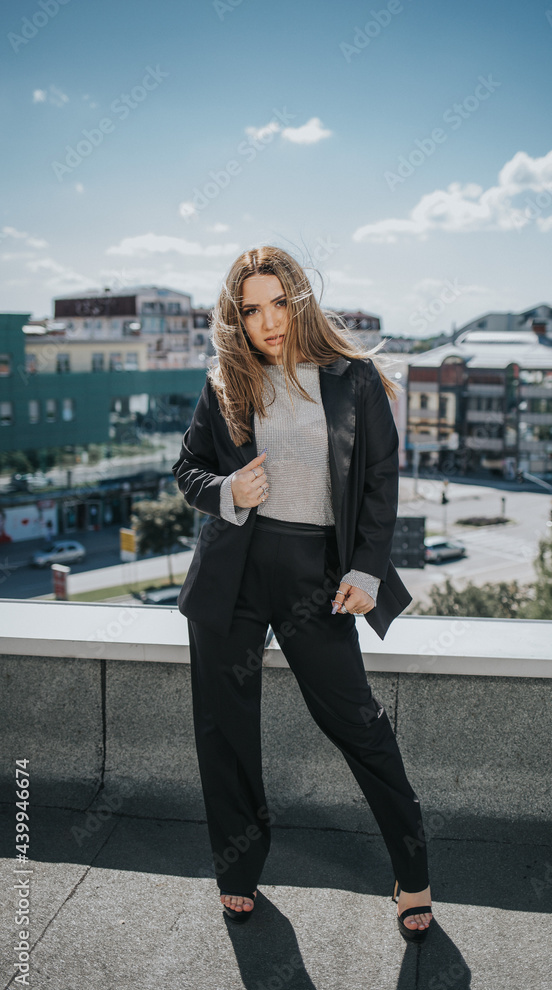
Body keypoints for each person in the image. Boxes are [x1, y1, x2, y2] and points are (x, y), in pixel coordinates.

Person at [172, 246, 432, 942]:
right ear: (237, 319)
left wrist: (367, 569)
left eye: (277, 302)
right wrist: (226, 491)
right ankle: (237, 870)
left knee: (357, 722)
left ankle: (412, 871)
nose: (267, 321)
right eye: (250, 310)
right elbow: (188, 469)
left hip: (317, 572)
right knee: (224, 728)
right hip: (233, 570)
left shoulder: (354, 380)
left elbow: (379, 484)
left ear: (299, 299)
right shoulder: (226, 380)